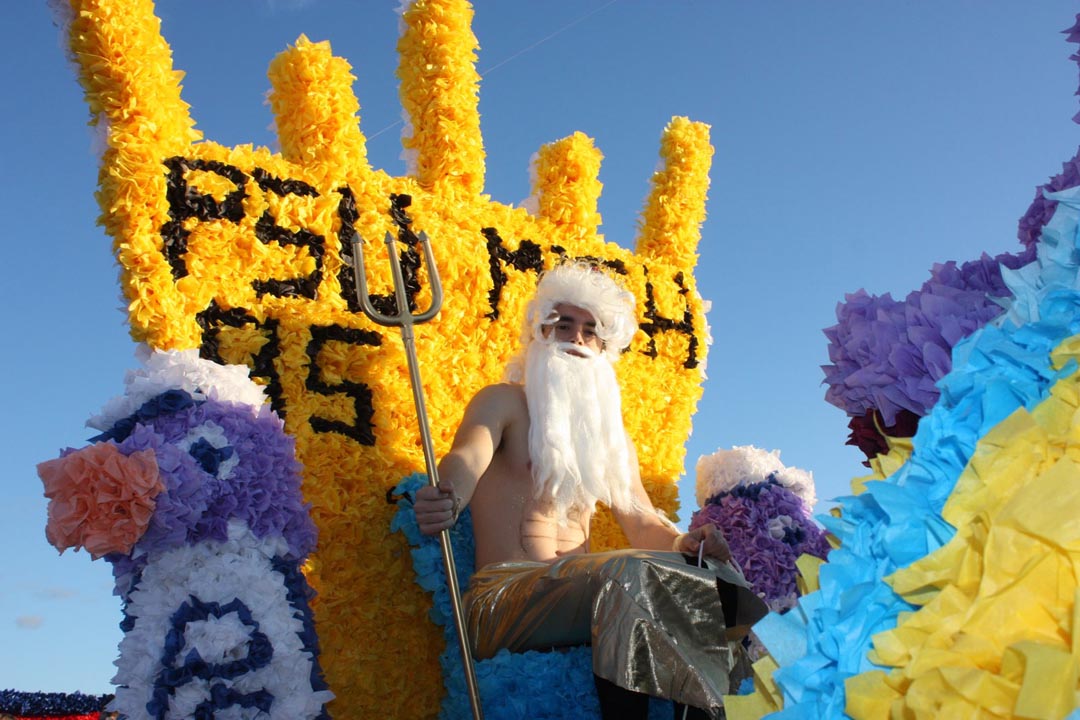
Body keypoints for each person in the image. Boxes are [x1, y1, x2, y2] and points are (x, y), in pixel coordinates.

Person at [414, 262, 766, 719]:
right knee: (628, 573)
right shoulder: (502, 401)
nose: (577, 340)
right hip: (499, 601)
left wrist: (686, 544)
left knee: (724, 584)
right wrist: (449, 495)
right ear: (540, 332)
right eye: (564, 325)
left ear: (605, 347)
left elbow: (640, 520)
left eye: (591, 331)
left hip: (592, 597)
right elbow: (468, 456)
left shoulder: (611, 438)